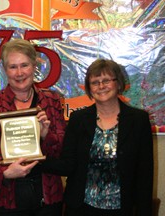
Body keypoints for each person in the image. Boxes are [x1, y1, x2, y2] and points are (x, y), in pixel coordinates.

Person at [43, 59, 154, 216]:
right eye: (95, 82)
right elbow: (67, 164)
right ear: (89, 88)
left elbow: (144, 174)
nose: (101, 86)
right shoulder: (78, 119)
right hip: (81, 208)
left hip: (122, 209)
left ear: (118, 83)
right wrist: (33, 160)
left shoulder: (138, 120)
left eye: (106, 80)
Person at [0, 39, 67, 216]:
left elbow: (60, 148)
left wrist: (45, 135)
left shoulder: (52, 100)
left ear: (34, 66)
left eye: (24, 65)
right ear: (5, 69)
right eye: (13, 67)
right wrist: (5, 172)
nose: (19, 73)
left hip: (46, 192)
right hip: (5, 193)